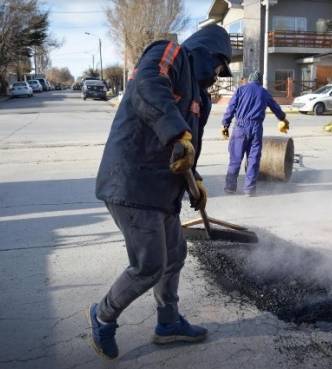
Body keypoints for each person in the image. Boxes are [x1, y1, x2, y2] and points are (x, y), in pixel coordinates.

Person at [86, 24, 232, 360]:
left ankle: (168, 323)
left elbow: (185, 148)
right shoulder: (170, 54)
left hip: (162, 192)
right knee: (148, 266)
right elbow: (148, 86)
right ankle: (102, 315)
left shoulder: (199, 98)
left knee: (175, 255)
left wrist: (195, 183)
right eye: (220, 64)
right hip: (132, 184)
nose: (219, 73)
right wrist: (177, 133)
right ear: (207, 53)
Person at [221, 71, 289, 197]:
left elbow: (231, 108)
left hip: (241, 127)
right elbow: (275, 108)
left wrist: (225, 125)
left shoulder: (240, 90)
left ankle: (230, 187)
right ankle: (249, 190)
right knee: (253, 160)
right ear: (259, 81)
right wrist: (283, 119)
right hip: (256, 128)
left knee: (235, 158)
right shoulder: (264, 92)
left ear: (249, 80)